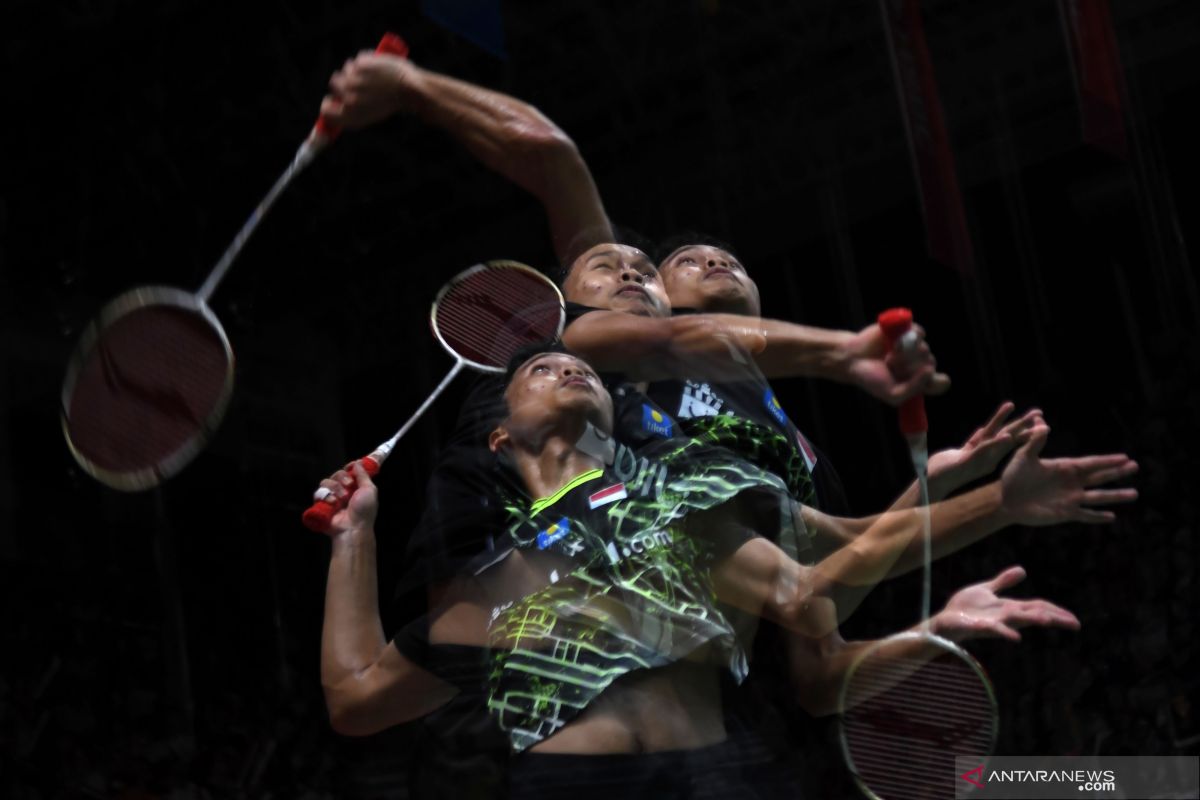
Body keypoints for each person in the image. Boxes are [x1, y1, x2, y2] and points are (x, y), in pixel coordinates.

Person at [315, 345, 1133, 797]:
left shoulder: (677, 494)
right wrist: (355, 535)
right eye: (539, 369)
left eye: (584, 369)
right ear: (500, 440)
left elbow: (807, 593)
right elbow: (356, 699)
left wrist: (996, 504)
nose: (570, 368)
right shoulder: (499, 574)